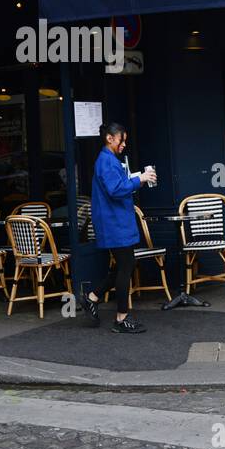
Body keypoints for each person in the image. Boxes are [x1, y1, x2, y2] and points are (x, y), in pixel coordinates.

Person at [80, 122, 158, 334]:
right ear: (110, 138)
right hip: (114, 223)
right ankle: (121, 318)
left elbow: (116, 186)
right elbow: (115, 189)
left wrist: (137, 179)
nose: (124, 144)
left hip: (115, 222)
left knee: (123, 265)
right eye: (121, 140)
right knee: (126, 267)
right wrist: (139, 179)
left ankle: (92, 298)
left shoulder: (107, 160)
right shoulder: (106, 161)